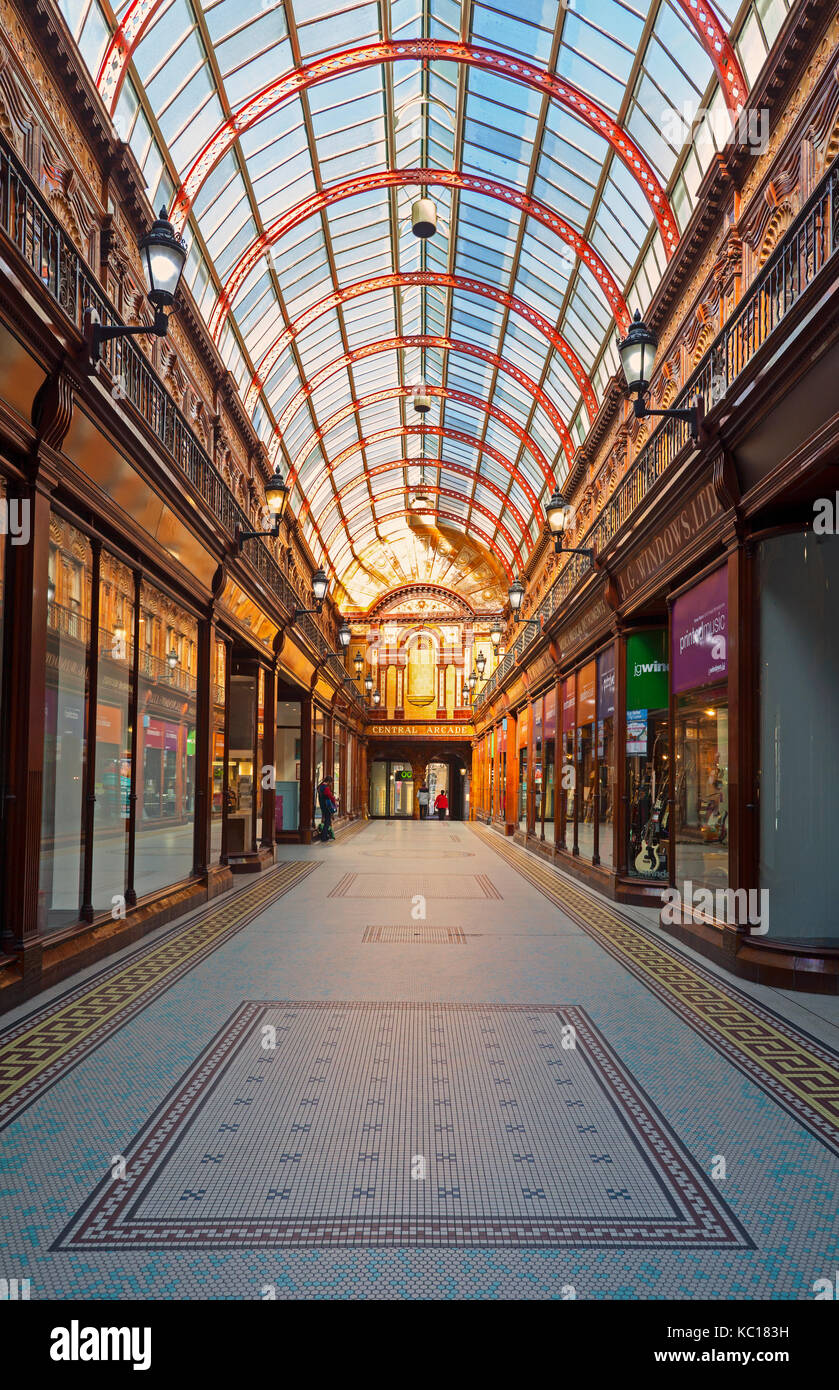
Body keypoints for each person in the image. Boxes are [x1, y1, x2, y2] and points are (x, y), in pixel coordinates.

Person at [317, 778, 338, 842]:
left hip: (322, 806)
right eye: (331, 783)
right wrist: (335, 802)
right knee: (327, 821)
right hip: (327, 806)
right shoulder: (325, 788)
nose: (331, 784)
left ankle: (324, 835)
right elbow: (330, 797)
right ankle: (324, 836)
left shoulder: (320, 787)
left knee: (326, 820)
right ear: (328, 781)